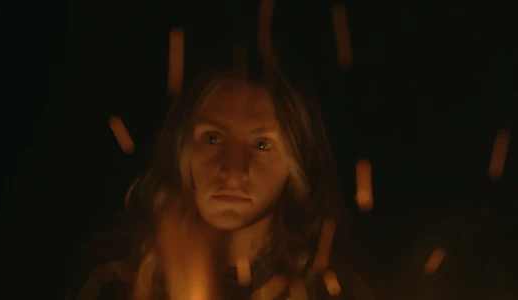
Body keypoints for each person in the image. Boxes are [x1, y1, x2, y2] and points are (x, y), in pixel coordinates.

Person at [66, 41, 380, 300]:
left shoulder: (334, 285)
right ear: (180, 147)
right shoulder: (114, 274)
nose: (232, 171)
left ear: (297, 161)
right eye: (213, 139)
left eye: (261, 144)